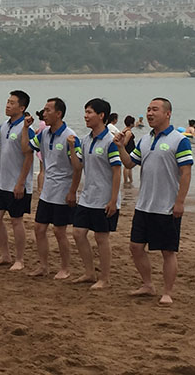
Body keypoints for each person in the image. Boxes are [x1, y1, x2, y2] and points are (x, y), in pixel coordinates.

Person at [113, 98, 193, 305]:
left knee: (168, 251)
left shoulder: (179, 140)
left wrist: (180, 202)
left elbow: (186, 173)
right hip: (144, 205)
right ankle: (148, 285)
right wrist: (120, 147)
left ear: (167, 114)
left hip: (167, 207)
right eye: (148, 109)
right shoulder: (145, 140)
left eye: (155, 109)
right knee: (135, 247)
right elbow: (129, 163)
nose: (150, 113)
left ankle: (167, 292)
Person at [22, 97, 82, 279]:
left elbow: (78, 168)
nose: (44, 113)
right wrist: (25, 128)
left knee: (59, 231)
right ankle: (43, 266)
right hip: (47, 190)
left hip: (63, 190)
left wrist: (72, 192)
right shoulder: (44, 133)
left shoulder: (70, 136)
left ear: (59, 114)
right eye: (44, 110)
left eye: (48, 110)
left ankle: (65, 268)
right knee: (39, 228)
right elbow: (26, 149)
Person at [69, 99, 121, 289]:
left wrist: (113, 200)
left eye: (89, 112)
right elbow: (78, 167)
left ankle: (104, 278)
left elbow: (117, 171)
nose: (86, 116)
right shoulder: (85, 140)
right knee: (78, 233)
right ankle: (89, 273)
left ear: (101, 115)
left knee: (101, 238)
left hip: (104, 199)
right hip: (87, 197)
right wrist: (72, 148)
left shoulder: (110, 141)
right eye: (85, 112)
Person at [0, 90, 34, 270]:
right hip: (1, 182)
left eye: (12, 103)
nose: (7, 105)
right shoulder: (4, 126)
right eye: (7, 102)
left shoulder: (26, 128)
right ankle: (5, 254)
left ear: (22, 108)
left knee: (16, 220)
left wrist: (21, 183)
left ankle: (19, 259)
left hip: (18, 183)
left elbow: (29, 157)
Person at [122, 115, 136, 186]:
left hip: (128, 149)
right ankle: (126, 181)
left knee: (129, 167)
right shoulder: (128, 132)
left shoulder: (125, 130)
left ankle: (130, 180)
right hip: (128, 149)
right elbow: (125, 142)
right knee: (127, 166)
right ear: (131, 124)